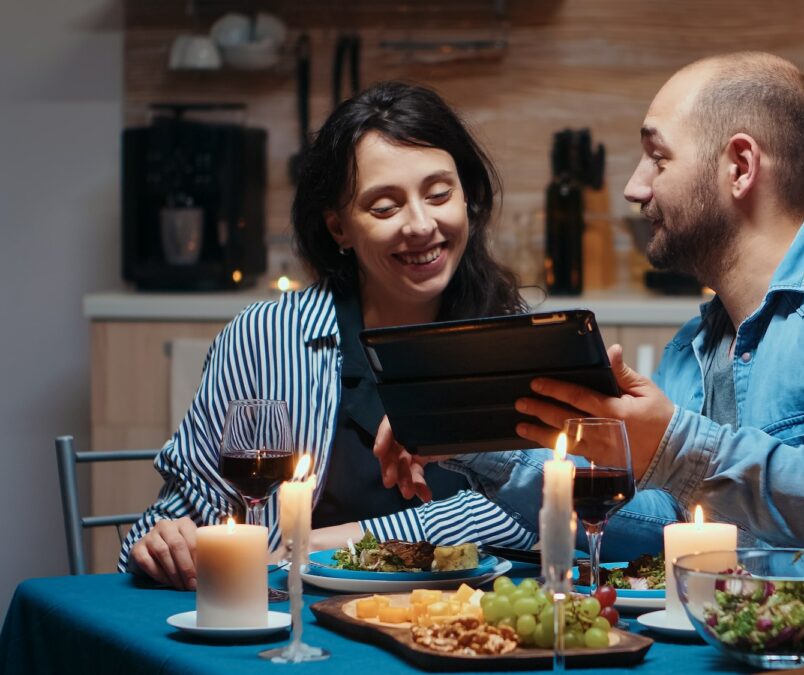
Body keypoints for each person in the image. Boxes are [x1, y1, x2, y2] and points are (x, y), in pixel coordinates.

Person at [377, 53, 804, 632]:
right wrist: (475, 448)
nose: (636, 186)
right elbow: (661, 529)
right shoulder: (695, 344)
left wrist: (673, 444)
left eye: (657, 157)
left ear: (740, 166)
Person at [123, 81, 542, 590]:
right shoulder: (267, 337)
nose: (420, 224)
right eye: (385, 207)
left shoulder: (515, 345)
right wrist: (165, 540)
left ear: (468, 199)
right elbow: (186, 513)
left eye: (438, 194)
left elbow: (534, 514)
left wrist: (353, 539)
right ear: (339, 228)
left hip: (461, 636)